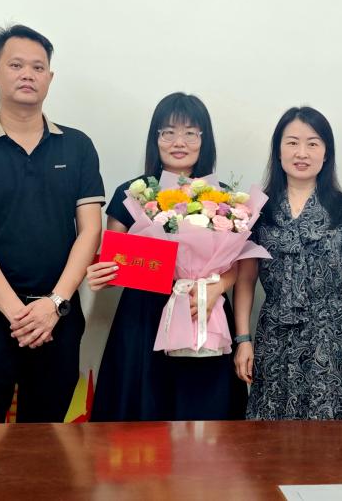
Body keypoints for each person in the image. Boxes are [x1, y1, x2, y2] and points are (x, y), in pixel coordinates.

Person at [0, 24, 105, 424]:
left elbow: (90, 230)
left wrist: (54, 304)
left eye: (38, 67)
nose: (27, 74)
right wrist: (18, 313)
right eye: (16, 65)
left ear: (50, 77)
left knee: (47, 435)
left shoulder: (77, 146)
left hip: (58, 314)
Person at [86, 92, 247, 420]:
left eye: (190, 132)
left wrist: (217, 287)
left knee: (205, 416)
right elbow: (116, 258)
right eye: (168, 132)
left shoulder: (224, 197)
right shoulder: (132, 193)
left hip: (203, 310)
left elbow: (239, 265)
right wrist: (103, 274)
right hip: (144, 317)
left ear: (204, 139)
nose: (179, 142)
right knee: (142, 420)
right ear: (155, 138)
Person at [233, 106, 342, 420]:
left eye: (313, 143)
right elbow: (245, 279)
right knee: (274, 425)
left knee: (336, 426)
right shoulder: (257, 210)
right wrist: (243, 339)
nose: (302, 153)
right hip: (275, 334)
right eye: (292, 142)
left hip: (334, 334)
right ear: (278, 150)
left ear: (326, 153)